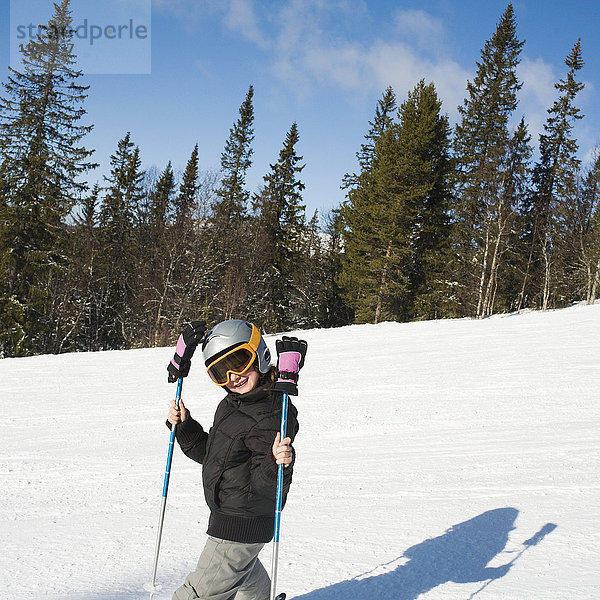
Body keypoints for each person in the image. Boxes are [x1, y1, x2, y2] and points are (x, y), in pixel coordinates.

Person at [165, 319, 307, 600]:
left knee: (199, 593)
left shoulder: (269, 414)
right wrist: (185, 426)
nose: (233, 376)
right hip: (235, 520)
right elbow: (212, 456)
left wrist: (276, 462)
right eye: (219, 372)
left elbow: (268, 487)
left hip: (239, 523)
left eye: (239, 361)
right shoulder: (233, 404)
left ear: (259, 355)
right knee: (244, 577)